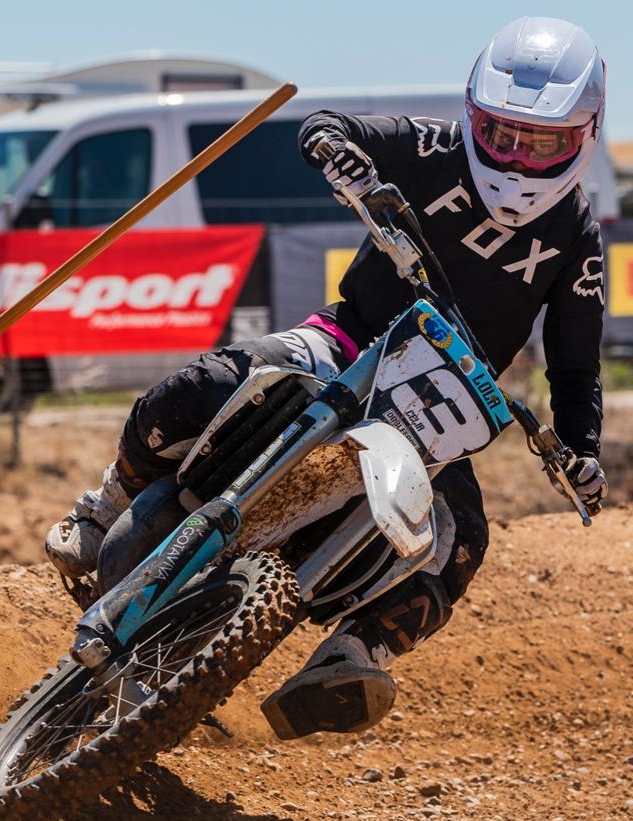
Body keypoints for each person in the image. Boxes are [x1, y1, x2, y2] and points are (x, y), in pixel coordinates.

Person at [46, 16, 609, 739]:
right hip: (347, 343)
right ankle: (104, 510)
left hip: (438, 411)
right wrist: (332, 147)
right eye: (502, 136)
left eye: (543, 143)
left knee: (463, 542)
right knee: (197, 387)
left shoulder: (576, 236)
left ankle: (354, 652)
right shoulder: (434, 147)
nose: (518, 159)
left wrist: (582, 447)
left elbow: (574, 361)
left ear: (586, 133)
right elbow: (331, 121)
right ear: (473, 116)